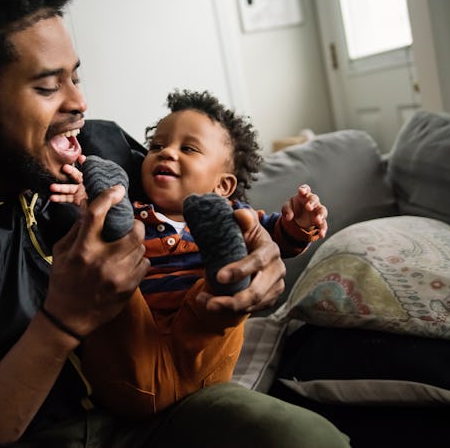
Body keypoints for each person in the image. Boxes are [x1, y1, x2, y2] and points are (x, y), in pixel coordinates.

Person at [0, 0, 350, 448]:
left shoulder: (104, 147)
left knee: (298, 437)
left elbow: (198, 221)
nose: (80, 103)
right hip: (32, 436)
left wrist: (261, 264)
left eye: (75, 76)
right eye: (49, 86)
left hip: (158, 411)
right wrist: (59, 323)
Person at [54, 89, 328, 418]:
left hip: (201, 344)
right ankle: (111, 207)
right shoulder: (136, 213)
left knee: (219, 296)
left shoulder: (233, 217)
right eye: (156, 146)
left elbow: (278, 240)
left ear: (223, 187)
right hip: (134, 342)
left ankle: (226, 279)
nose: (165, 153)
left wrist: (299, 223)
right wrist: (92, 207)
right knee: (116, 273)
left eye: (188, 148)